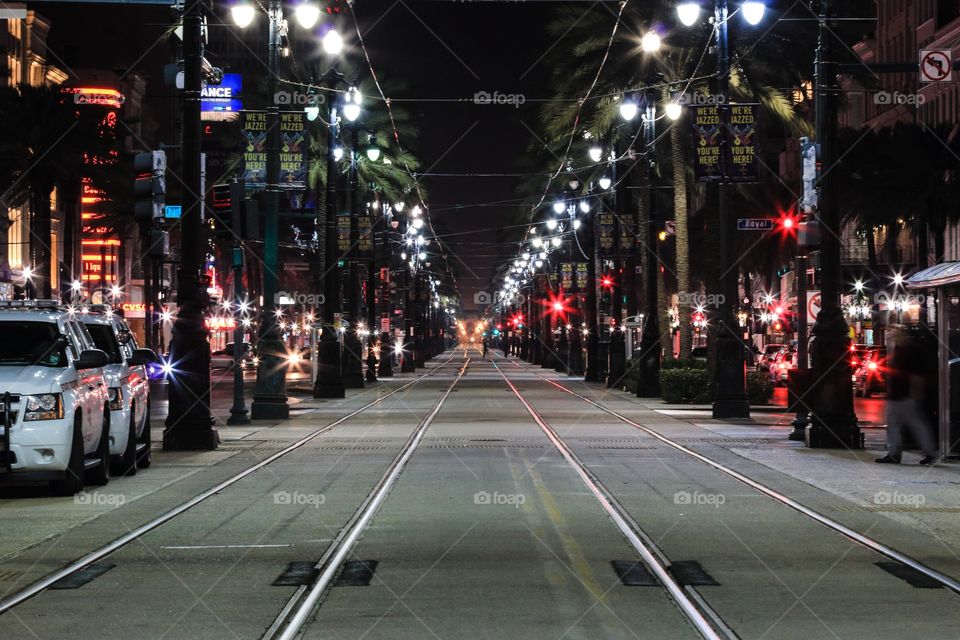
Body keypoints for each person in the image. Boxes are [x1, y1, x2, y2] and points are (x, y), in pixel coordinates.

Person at [876, 327, 937, 465]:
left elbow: (916, 375)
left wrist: (915, 393)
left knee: (899, 424)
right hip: (900, 394)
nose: (890, 336)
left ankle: (895, 453)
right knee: (914, 424)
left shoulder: (909, 350)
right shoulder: (901, 348)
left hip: (903, 395)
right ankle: (928, 452)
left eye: (893, 334)